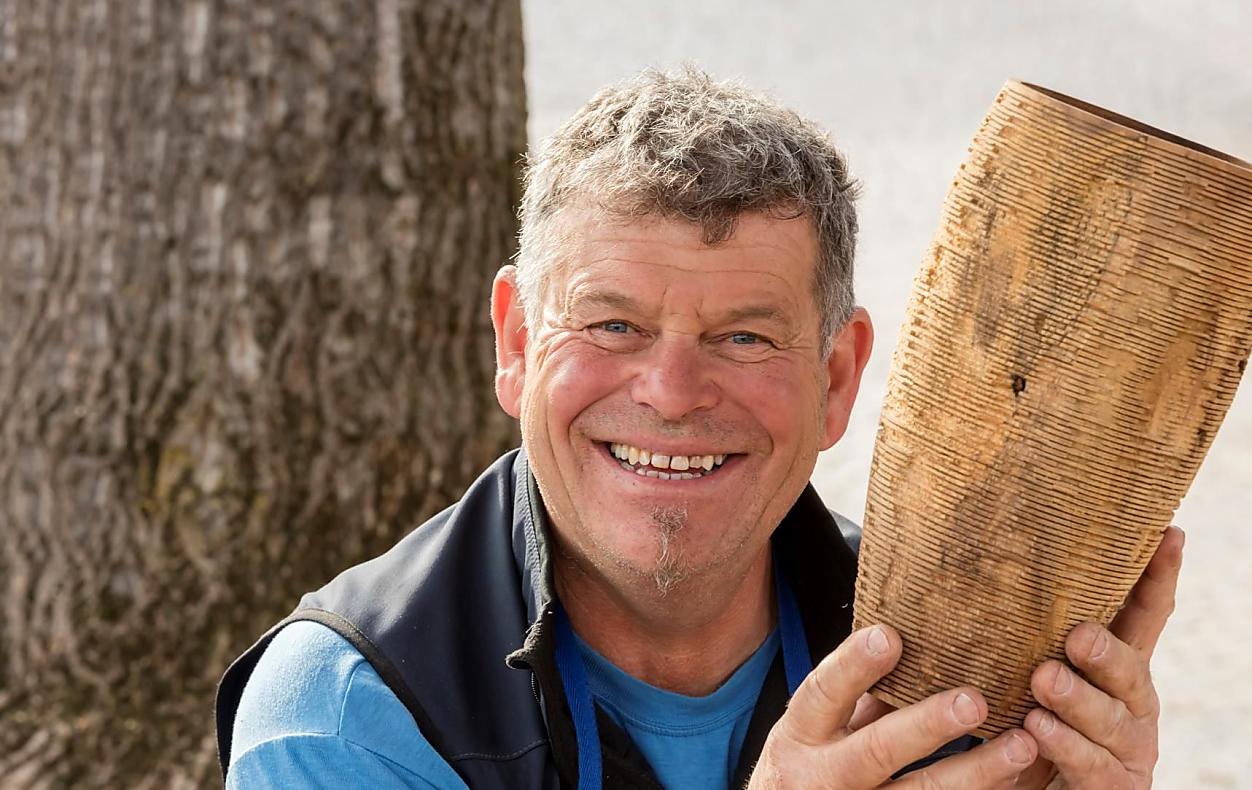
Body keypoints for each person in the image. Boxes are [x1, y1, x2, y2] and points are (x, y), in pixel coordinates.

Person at [216, 68, 1184, 789]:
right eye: (612, 325)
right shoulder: (349, 711)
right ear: (516, 344)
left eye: (744, 337)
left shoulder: (955, 682)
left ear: (835, 378)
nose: (673, 392)